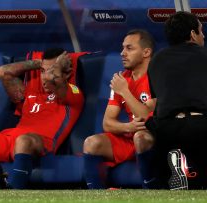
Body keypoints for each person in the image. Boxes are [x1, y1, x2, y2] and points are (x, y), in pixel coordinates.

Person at [0, 48, 84, 189]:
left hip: (40, 143)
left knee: (23, 140)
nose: (44, 77)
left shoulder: (74, 92)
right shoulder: (30, 93)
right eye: (42, 71)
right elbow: (4, 71)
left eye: (51, 71)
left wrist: (54, 68)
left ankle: (14, 192)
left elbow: (53, 80)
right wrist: (42, 63)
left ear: (67, 73)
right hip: (10, 139)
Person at [134, 11, 207, 190]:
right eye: (201, 30)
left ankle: (168, 175)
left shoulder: (156, 60)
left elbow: (157, 100)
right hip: (201, 127)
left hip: (166, 130)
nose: (203, 35)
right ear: (192, 34)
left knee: (157, 128)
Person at [83, 29, 156, 189]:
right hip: (130, 136)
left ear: (146, 52)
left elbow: (147, 118)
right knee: (91, 143)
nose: (123, 53)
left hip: (154, 138)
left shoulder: (156, 76)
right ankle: (97, 196)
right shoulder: (122, 79)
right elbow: (107, 123)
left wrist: (125, 91)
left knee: (141, 137)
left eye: (129, 48)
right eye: (123, 48)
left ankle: (152, 192)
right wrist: (127, 127)